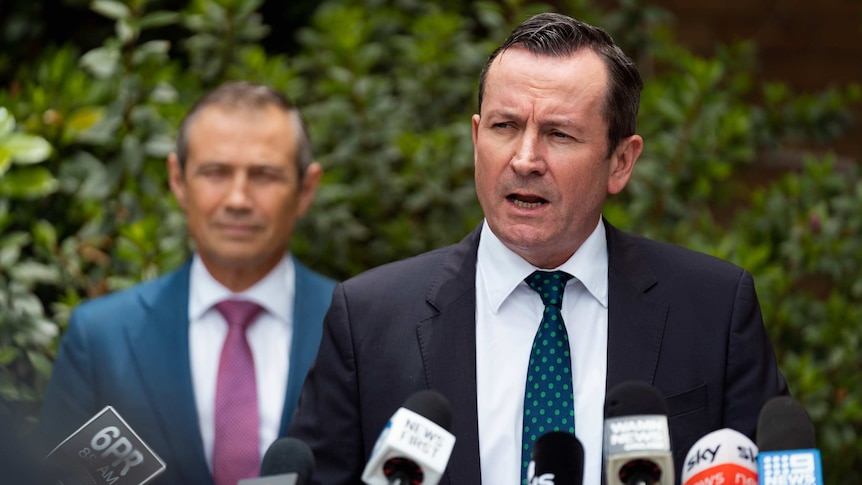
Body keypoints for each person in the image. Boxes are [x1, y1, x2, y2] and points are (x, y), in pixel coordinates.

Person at [286, 12, 788, 485]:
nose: (525, 159)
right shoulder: (370, 318)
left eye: (559, 134)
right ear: (476, 137)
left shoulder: (714, 309)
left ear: (620, 161)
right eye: (505, 127)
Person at [38, 81, 337, 485]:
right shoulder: (102, 338)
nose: (238, 199)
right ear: (178, 180)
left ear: (306, 189)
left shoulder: (357, 328)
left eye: (264, 175)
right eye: (215, 172)